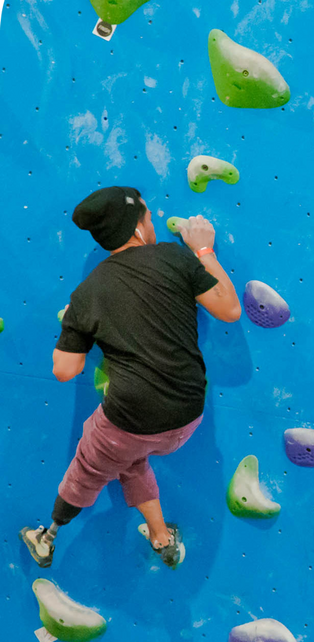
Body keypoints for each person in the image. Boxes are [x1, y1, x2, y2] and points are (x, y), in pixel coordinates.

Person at [19, 186, 241, 569]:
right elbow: (229, 309)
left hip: (133, 421)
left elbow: (65, 370)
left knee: (89, 465)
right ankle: (160, 536)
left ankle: (48, 535)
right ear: (137, 228)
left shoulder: (87, 293)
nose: (153, 223)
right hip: (188, 415)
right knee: (128, 459)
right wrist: (204, 251)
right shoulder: (173, 257)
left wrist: (76, 321)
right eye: (149, 217)